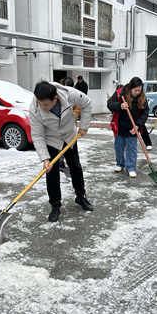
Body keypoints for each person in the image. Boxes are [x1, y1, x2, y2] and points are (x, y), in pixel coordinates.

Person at [29, 81, 93, 222]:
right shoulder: (34, 108)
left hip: (69, 135)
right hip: (51, 139)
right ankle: (55, 205)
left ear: (55, 98)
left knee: (75, 165)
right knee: (51, 171)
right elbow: (37, 135)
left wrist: (84, 126)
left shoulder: (69, 94)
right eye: (40, 103)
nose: (42, 107)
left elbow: (87, 103)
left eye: (45, 104)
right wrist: (45, 158)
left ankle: (80, 196)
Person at [107, 77, 149, 178]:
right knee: (119, 147)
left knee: (131, 148)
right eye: (136, 90)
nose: (138, 92)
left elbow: (144, 112)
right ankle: (120, 164)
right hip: (120, 126)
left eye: (140, 90)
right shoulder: (119, 93)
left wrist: (137, 126)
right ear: (131, 88)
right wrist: (120, 106)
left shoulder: (142, 97)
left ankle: (131, 167)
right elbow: (110, 104)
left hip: (133, 127)